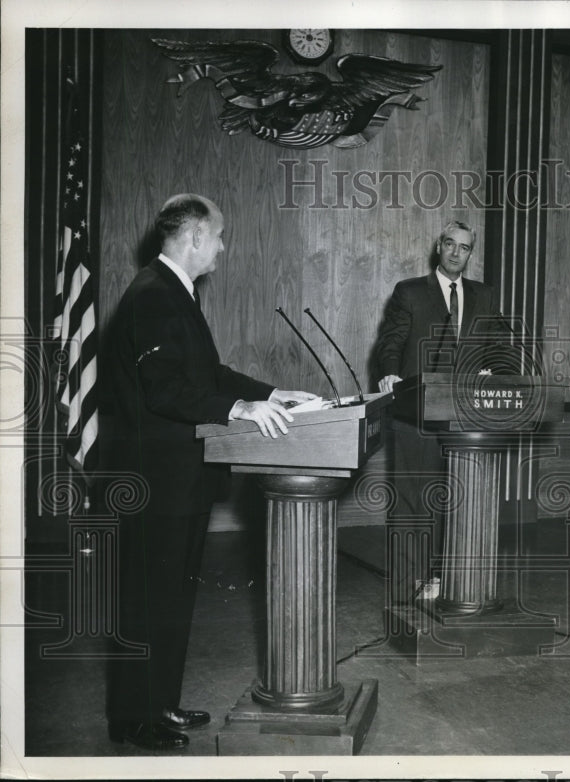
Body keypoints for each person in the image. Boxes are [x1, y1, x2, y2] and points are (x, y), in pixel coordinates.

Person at [106, 194, 316, 750]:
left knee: (171, 599)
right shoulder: (153, 294)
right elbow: (167, 389)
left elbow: (208, 372)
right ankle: (134, 719)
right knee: (150, 600)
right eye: (219, 236)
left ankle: (159, 705)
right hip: (158, 482)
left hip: (181, 479)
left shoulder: (177, 291)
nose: (223, 247)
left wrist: (272, 393)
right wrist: (238, 409)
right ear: (195, 236)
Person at [373, 220, 504, 604]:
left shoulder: (485, 296)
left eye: (464, 247)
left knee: (457, 501)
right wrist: (390, 376)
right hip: (416, 412)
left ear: (469, 254)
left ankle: (445, 580)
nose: (455, 252)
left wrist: (494, 370)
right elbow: (390, 343)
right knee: (414, 501)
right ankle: (407, 585)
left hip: (465, 416)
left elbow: (496, 346)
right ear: (438, 246)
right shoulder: (410, 292)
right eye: (449, 244)